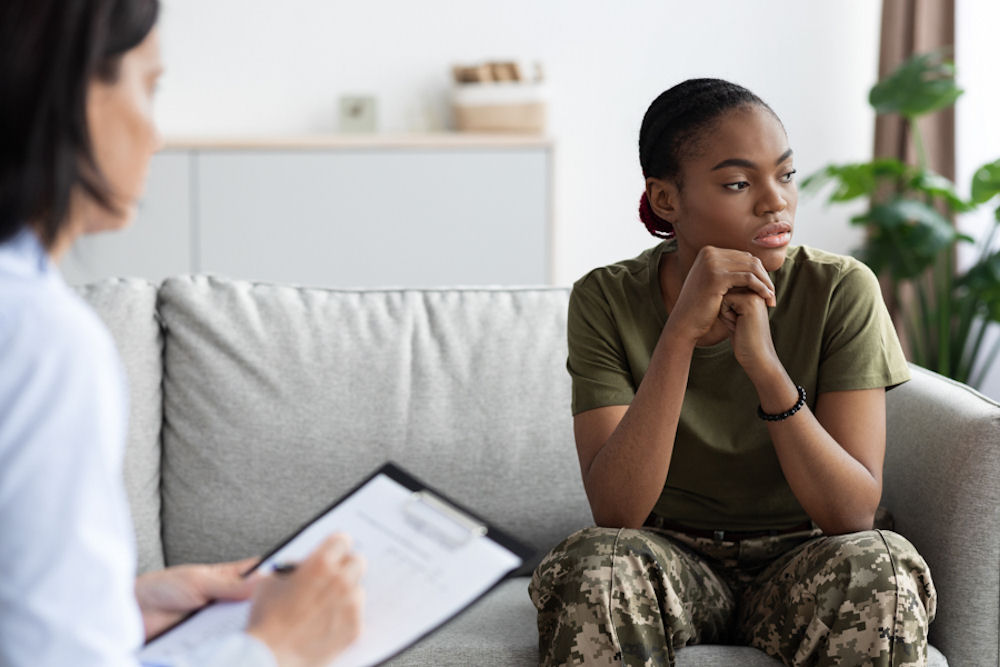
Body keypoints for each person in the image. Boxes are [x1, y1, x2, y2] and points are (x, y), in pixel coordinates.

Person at [0, 1, 364, 665]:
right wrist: (277, 646)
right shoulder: (40, 340)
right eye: (149, 86)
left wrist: (120, 607)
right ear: (70, 92)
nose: (156, 135)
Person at [529, 79, 937, 666]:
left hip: (805, 557)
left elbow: (850, 515)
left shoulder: (841, 289)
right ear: (666, 199)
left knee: (882, 565)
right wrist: (679, 336)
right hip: (670, 556)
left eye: (786, 175)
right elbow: (616, 513)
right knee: (596, 563)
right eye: (739, 184)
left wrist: (764, 366)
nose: (776, 202)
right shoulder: (606, 298)